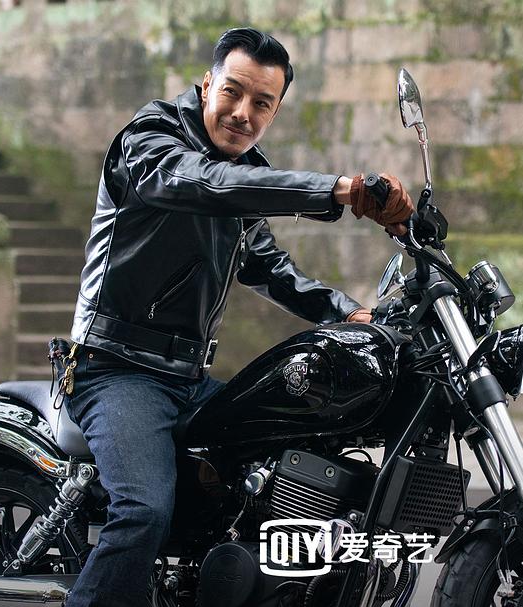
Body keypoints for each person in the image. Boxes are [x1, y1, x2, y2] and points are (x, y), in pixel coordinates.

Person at [63, 27, 414, 607]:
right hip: (115, 368)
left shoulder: (243, 171)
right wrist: (338, 190)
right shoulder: (151, 139)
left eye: (262, 103)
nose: (242, 113)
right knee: (144, 511)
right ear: (207, 85)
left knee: (282, 462)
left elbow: (271, 268)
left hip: (187, 378)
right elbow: (204, 185)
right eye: (233, 92)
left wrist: (352, 313)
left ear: (275, 111)